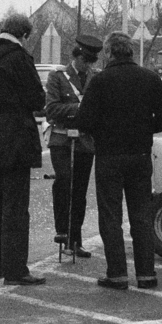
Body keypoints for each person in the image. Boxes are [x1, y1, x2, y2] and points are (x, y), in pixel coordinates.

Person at [76, 31, 162, 290]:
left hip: (109, 155)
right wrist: (144, 127)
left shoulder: (100, 81)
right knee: (141, 215)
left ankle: (117, 273)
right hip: (140, 154)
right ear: (130, 51)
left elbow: (84, 121)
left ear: (108, 52)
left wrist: (103, 130)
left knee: (111, 216)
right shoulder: (150, 78)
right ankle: (146, 274)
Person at [0, 13, 46, 285]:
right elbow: (37, 98)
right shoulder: (19, 59)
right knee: (16, 208)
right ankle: (16, 269)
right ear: (24, 35)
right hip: (15, 141)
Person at [45, 34, 102, 258]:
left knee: (79, 190)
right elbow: (51, 109)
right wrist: (79, 109)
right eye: (85, 60)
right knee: (64, 180)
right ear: (76, 56)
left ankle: (75, 238)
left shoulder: (95, 78)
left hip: (85, 140)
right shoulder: (58, 77)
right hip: (61, 138)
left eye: (91, 62)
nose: (87, 66)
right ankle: (62, 229)